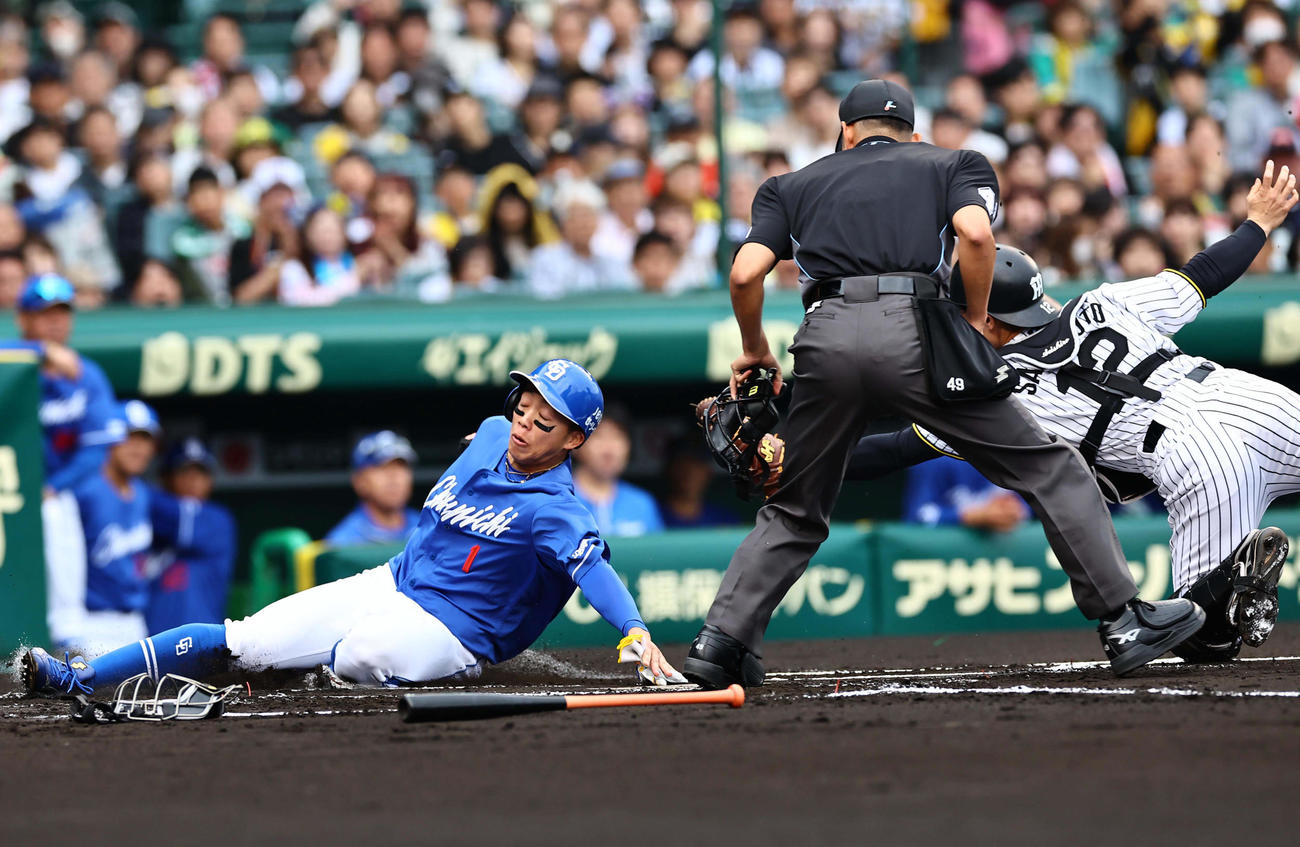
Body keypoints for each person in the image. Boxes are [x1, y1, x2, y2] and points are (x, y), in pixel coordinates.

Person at [681, 79, 1203, 690]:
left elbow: (746, 274)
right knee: (1048, 466)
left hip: (821, 336)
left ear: (846, 132)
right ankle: (1123, 619)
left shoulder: (789, 185)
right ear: (912, 130)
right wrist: (977, 319)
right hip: (914, 332)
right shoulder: (953, 161)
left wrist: (754, 350)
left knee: (796, 507)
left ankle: (720, 645)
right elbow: (976, 237)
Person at [834, 160, 1300, 664]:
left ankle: (1235, 579)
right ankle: (1233, 578)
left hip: (1197, 457)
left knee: (1202, 638)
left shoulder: (991, 389)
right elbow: (1204, 274)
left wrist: (799, 460)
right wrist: (1259, 223)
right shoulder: (1101, 302)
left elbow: (895, 449)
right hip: (1255, 400)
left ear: (987, 320)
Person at [22, 360, 680, 695]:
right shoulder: (487, 435)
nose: (528, 420)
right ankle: (78, 679)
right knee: (243, 638)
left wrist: (635, 629)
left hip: (459, 631)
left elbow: (592, 566)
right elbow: (480, 437)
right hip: (394, 580)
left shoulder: (559, 506)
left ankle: (312, 672)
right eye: (527, 403)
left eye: (548, 417)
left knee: (362, 654)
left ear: (574, 438)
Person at [45, 400, 159, 655]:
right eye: (130, 438)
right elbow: (62, 562)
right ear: (111, 438)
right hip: (90, 624)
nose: (139, 448)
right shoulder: (82, 490)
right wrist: (67, 625)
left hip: (135, 623)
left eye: (146, 439)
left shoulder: (142, 493)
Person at [145, 438, 237, 634]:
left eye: (201, 472)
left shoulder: (217, 520)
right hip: (145, 641)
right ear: (165, 478)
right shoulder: (143, 521)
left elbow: (151, 503)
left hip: (201, 645)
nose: (193, 479)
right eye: (184, 471)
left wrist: (123, 484)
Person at [571, 411, 663, 538]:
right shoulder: (556, 500)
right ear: (575, 442)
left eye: (617, 437)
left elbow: (657, 554)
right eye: (598, 436)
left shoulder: (642, 504)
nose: (608, 450)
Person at [325, 430, 421, 546]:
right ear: (360, 481)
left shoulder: (428, 526)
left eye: (401, 467)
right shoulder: (342, 543)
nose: (394, 476)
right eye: (381, 467)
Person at [901, 457, 1027, 532]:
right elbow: (918, 517)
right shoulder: (934, 457)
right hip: (944, 559)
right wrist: (969, 516)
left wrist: (1016, 510)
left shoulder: (1009, 454)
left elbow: (1031, 507)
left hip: (1000, 557)